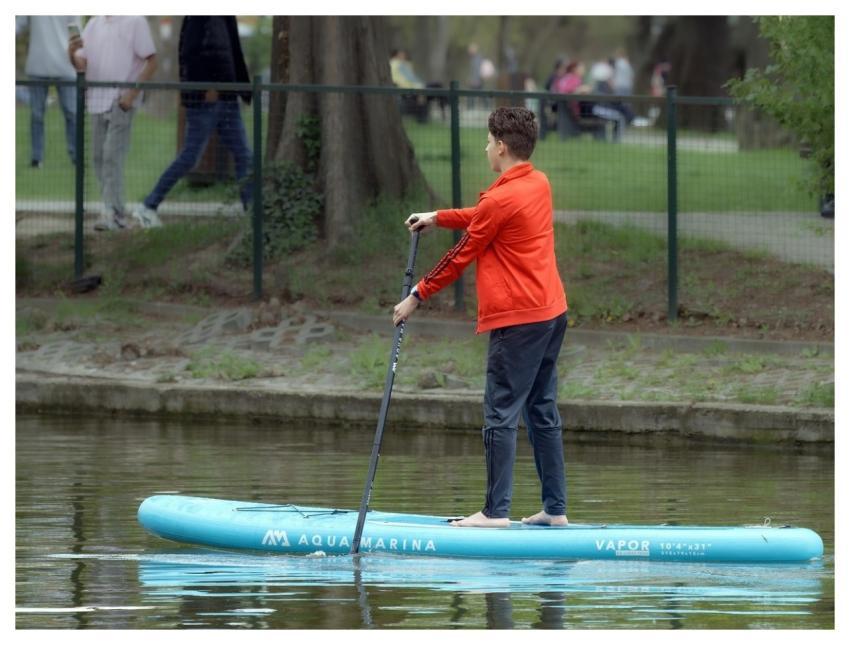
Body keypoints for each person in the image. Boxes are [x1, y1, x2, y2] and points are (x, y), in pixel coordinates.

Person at [393, 107, 569, 529]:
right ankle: (555, 510)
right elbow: (486, 218)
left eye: (489, 141)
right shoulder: (536, 183)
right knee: (541, 409)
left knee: (500, 412)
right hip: (551, 313)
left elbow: (461, 256)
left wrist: (417, 294)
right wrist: (438, 217)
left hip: (519, 320)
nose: (486, 147)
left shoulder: (502, 197)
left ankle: (494, 513)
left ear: (502, 146)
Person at [133, 16, 252, 228]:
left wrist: (244, 90)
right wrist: (206, 88)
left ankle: (251, 211)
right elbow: (189, 53)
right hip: (206, 101)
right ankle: (148, 206)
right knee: (190, 157)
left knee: (244, 154)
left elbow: (234, 50)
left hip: (228, 98)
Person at [68, 16, 157, 231]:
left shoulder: (136, 21)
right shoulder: (93, 24)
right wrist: (71, 52)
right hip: (96, 101)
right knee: (99, 157)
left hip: (121, 101)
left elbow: (152, 60)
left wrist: (131, 94)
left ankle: (115, 214)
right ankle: (110, 209)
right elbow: (81, 65)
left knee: (111, 156)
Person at [16, 16, 82, 168]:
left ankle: (76, 157)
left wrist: (77, 56)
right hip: (38, 65)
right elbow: (17, 25)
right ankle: (36, 158)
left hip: (65, 67)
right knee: (37, 115)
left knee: (72, 113)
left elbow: (76, 32)